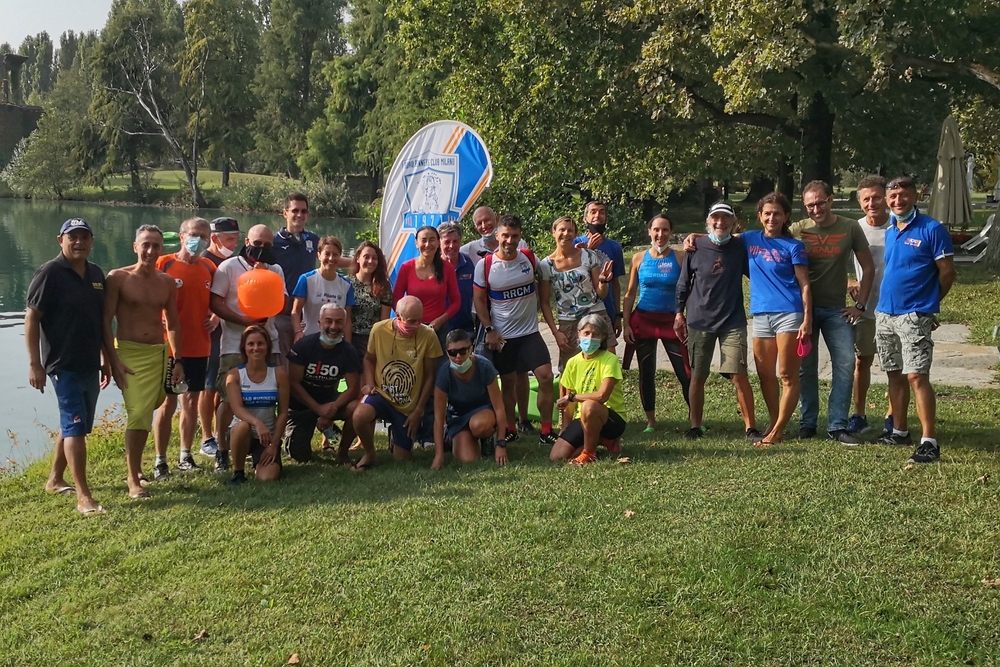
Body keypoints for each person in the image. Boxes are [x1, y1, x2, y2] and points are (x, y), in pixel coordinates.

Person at [25, 218, 112, 515]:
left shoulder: (96, 274)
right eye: (72, 237)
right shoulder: (50, 273)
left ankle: (54, 479)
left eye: (84, 237)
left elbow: (100, 322)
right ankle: (84, 497)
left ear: (92, 240)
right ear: (59, 239)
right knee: (75, 427)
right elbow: (32, 318)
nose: (79, 242)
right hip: (62, 365)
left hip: (90, 363)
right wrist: (35, 365)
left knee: (74, 424)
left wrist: (105, 358)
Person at [875, 176, 956, 463]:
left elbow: (947, 272)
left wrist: (930, 305)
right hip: (885, 313)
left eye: (904, 196)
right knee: (894, 374)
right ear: (888, 200)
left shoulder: (932, 230)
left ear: (915, 197)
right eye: (893, 197)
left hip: (914, 314)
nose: (898, 201)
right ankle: (899, 430)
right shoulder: (890, 230)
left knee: (917, 376)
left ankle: (929, 442)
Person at [791, 180, 875, 444]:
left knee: (846, 364)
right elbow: (762, 237)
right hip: (803, 310)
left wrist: (860, 305)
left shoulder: (850, 227)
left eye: (820, 202)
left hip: (836, 309)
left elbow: (868, 267)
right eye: (809, 205)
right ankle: (808, 422)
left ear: (830, 200)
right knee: (806, 368)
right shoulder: (797, 230)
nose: (815, 209)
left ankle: (837, 424)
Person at [104, 225, 183, 499]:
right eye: (145, 245)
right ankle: (132, 478)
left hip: (158, 353)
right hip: (128, 351)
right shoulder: (117, 278)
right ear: (135, 246)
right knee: (138, 413)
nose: (150, 251)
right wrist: (110, 358)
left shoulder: (166, 282)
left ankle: (137, 469)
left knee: (152, 407)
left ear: (162, 250)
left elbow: (173, 322)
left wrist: (178, 358)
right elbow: (105, 321)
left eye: (156, 246)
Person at [674, 203, 760, 441]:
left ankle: (750, 427)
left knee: (738, 374)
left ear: (733, 223)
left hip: (732, 320)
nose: (720, 223)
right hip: (698, 320)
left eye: (725, 219)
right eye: (715, 218)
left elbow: (757, 274)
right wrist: (679, 313)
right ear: (708, 222)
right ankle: (695, 425)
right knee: (698, 376)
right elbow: (683, 283)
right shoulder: (694, 247)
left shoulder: (740, 247)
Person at [472, 214, 557, 445]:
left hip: (530, 333)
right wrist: (489, 328)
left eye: (515, 236)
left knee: (546, 377)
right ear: (497, 235)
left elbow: (548, 275)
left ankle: (546, 431)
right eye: (505, 236)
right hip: (504, 338)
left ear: (521, 237)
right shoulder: (486, 265)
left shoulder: (529, 258)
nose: (510, 241)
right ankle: (510, 428)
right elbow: (479, 300)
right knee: (508, 384)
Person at [210, 224, 286, 472]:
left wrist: (264, 275)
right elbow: (216, 303)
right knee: (228, 400)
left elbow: (281, 302)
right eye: (257, 244)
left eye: (267, 245)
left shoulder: (276, 269)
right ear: (247, 242)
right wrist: (245, 321)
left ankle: (267, 444)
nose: (261, 249)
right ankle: (222, 449)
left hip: (269, 343)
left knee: (269, 397)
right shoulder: (228, 267)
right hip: (234, 345)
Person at [743, 194, 812, 446]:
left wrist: (807, 318)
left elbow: (804, 284)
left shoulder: (794, 247)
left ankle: (778, 430)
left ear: (785, 217)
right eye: (767, 213)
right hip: (761, 314)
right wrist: (694, 237)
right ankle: (774, 422)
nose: (772, 218)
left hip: (789, 314)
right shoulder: (750, 239)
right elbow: (720, 237)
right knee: (764, 374)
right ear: (760, 216)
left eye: (777, 214)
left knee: (787, 375)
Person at [151, 217, 216, 480]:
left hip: (200, 345)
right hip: (169, 348)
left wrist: (217, 317)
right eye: (194, 234)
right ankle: (160, 460)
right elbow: (147, 296)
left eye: (205, 236)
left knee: (191, 402)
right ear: (181, 235)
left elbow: (219, 300)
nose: (199, 240)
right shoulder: (163, 263)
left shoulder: (210, 266)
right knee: (168, 402)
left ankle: (185, 455)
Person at [462, 206, 533, 434]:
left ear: (497, 220)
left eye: (488, 220)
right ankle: (497, 421)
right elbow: (448, 255)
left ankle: (523, 420)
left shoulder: (520, 246)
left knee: (521, 371)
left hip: (516, 320)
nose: (485, 226)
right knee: (492, 371)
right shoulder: (469, 250)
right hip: (485, 319)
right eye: (479, 223)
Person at [350, 296, 443, 467]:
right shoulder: (378, 329)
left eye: (419, 320)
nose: (416, 325)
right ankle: (369, 454)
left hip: (407, 406)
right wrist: (370, 383)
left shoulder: (428, 335)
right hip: (381, 395)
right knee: (359, 416)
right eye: (411, 321)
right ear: (398, 316)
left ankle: (396, 436)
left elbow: (430, 375)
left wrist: (419, 410)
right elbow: (369, 359)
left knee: (402, 459)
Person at [622, 214, 691, 432]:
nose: (660, 235)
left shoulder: (680, 258)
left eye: (665, 230)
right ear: (649, 231)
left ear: (671, 232)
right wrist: (626, 325)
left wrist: (685, 317)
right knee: (646, 372)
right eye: (656, 230)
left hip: (672, 321)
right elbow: (630, 294)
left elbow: (689, 290)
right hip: (643, 320)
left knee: (685, 372)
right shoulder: (638, 258)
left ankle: (695, 418)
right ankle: (651, 421)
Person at [285, 305, 360, 464]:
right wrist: (318, 409)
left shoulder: (349, 351)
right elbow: (293, 383)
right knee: (300, 457)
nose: (333, 327)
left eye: (339, 322)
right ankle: (306, 433)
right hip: (302, 405)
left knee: (356, 408)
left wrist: (330, 410)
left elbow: (353, 388)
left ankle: (343, 453)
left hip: (330, 402)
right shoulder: (303, 346)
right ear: (319, 323)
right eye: (328, 321)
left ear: (345, 324)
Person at [539, 216, 615, 371]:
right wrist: (555, 332)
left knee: (607, 368)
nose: (566, 234)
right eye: (562, 229)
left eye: (570, 230)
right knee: (569, 372)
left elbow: (601, 294)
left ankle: (605, 396)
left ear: (575, 234)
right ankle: (566, 397)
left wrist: (603, 281)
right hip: (569, 323)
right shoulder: (546, 265)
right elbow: (545, 303)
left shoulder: (588, 255)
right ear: (554, 232)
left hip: (596, 316)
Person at [847, 175, 892, 435]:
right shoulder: (855, 228)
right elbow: (834, 262)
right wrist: (850, 281)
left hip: (894, 307)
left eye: (877, 197)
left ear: (885, 198)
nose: (872, 203)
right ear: (860, 202)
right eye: (867, 199)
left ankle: (892, 414)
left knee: (893, 365)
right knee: (862, 361)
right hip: (865, 306)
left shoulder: (898, 226)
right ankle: (859, 414)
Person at [551, 314, 626, 465]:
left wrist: (572, 397)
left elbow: (602, 396)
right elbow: (569, 404)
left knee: (589, 405)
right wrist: (565, 427)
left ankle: (589, 453)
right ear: (579, 333)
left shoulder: (610, 360)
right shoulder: (573, 362)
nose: (590, 338)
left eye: (595, 334)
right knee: (557, 456)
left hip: (611, 418)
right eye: (586, 333)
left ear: (603, 338)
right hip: (583, 418)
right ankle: (601, 440)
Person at [431, 329, 508, 469]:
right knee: (468, 459)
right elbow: (438, 418)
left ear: (471, 349)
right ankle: (455, 439)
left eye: (463, 351)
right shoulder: (443, 374)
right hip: (458, 418)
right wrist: (439, 455)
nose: (458, 356)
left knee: (479, 425)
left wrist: (501, 444)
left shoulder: (484, 366)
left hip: (483, 413)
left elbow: (499, 407)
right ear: (447, 352)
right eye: (452, 353)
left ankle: (488, 438)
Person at [225, 325, 289, 484]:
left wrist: (274, 444)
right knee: (242, 426)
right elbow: (237, 408)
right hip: (241, 432)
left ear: (268, 347)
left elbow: (283, 413)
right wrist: (257, 423)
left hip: (267, 437)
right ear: (244, 348)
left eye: (260, 343)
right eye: (251, 344)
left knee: (267, 478)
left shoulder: (279, 374)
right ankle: (238, 472)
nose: (256, 348)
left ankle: (259, 462)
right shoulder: (234, 375)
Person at [198, 216, 240, 457]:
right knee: (209, 385)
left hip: (230, 333)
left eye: (236, 238)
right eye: (229, 239)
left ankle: (220, 431)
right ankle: (206, 437)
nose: (234, 243)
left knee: (225, 384)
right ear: (214, 238)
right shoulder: (204, 262)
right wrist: (215, 315)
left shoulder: (234, 262)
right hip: (209, 333)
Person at [392, 225, 461, 347]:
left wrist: (440, 320)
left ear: (438, 242)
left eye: (432, 240)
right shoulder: (406, 268)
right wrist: (406, 321)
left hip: (438, 329)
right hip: (411, 328)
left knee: (439, 365)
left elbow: (456, 301)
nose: (428, 244)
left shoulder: (447, 268)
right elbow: (396, 299)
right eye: (423, 240)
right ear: (416, 243)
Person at [272, 192, 320, 364]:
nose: (299, 215)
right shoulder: (273, 242)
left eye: (304, 211)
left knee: (309, 359)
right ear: (285, 213)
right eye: (295, 211)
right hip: (283, 312)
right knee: (285, 360)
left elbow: (331, 259)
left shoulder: (313, 239)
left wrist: (359, 263)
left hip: (308, 312)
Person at [574, 201, 627, 337]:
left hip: (606, 308)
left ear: (606, 219)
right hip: (581, 308)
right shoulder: (575, 243)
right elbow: (572, 275)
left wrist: (617, 315)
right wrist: (588, 250)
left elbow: (615, 284)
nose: (598, 215)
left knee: (608, 351)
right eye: (593, 212)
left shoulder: (614, 247)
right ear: (585, 218)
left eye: (602, 212)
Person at [291, 235, 355, 340]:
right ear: (319, 255)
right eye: (327, 254)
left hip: (335, 341)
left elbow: (347, 320)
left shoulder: (347, 285)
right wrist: (298, 331)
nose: (331, 258)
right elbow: (295, 311)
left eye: (335, 255)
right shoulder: (306, 279)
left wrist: (348, 345)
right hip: (310, 338)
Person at [349, 240, 392, 360]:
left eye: (374, 258)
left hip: (372, 340)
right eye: (366, 257)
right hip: (350, 338)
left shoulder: (383, 286)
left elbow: (384, 321)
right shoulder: (347, 283)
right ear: (358, 258)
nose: (370, 261)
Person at [439, 222, 476, 336]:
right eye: (447, 242)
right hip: (439, 329)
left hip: (465, 329)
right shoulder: (432, 266)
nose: (451, 246)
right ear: (439, 242)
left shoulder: (468, 264)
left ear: (460, 241)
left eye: (455, 241)